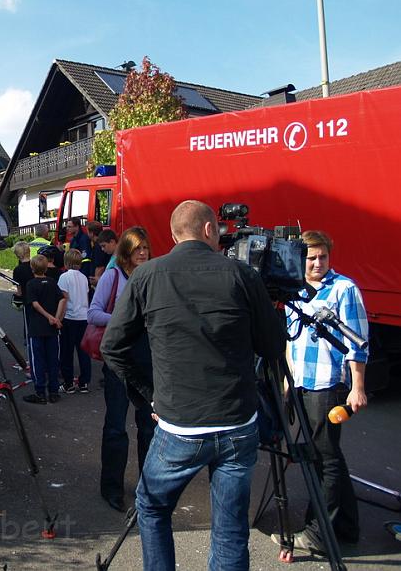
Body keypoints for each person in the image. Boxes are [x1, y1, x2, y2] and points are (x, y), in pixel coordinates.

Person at [101, 200, 286, 571]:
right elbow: (273, 347)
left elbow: (111, 347)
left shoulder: (148, 275)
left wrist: (147, 397)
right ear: (208, 230)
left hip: (179, 427)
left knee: (152, 507)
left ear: (173, 235)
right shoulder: (242, 275)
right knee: (231, 530)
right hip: (236, 424)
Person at [274, 230, 368, 555]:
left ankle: (318, 534)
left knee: (323, 459)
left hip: (328, 386)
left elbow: (357, 345)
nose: (317, 263)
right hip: (301, 383)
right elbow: (290, 340)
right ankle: (347, 527)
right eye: (311, 257)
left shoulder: (344, 289)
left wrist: (357, 387)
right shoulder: (294, 291)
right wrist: (288, 383)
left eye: (322, 257)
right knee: (329, 457)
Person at [89, 226, 155, 512]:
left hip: (146, 360)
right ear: (126, 251)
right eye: (137, 248)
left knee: (149, 427)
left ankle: (149, 489)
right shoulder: (113, 276)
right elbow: (93, 313)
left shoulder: (152, 276)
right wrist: (122, 318)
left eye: (145, 248)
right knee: (116, 427)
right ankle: (111, 488)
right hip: (118, 361)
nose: (142, 252)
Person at [22, 254, 66, 405]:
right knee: (53, 360)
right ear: (46, 267)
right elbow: (61, 299)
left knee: (37, 360)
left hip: (37, 327)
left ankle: (40, 391)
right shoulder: (52, 282)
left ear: (32, 268)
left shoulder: (31, 284)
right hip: (52, 328)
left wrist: (48, 316)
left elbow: (34, 304)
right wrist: (57, 318)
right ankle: (53, 391)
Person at [57, 249, 91, 393]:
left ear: (66, 261)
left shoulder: (64, 277)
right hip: (83, 317)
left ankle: (68, 383)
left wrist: (58, 318)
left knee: (67, 352)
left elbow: (63, 299)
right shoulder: (84, 277)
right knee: (83, 352)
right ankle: (84, 382)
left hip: (70, 317)